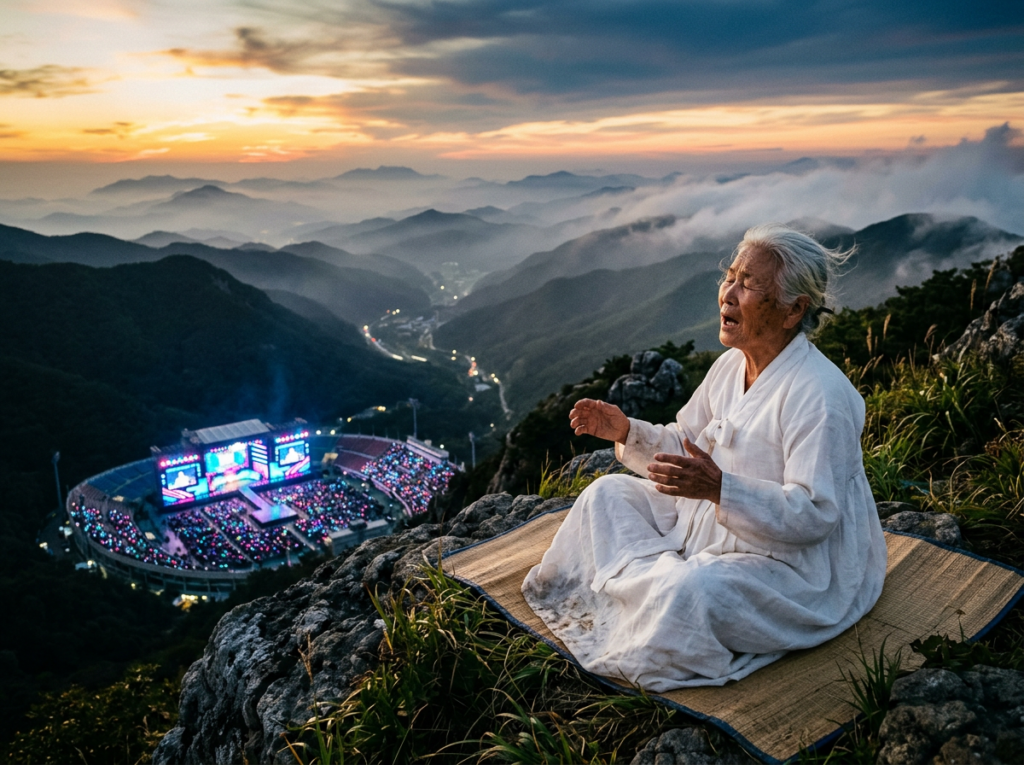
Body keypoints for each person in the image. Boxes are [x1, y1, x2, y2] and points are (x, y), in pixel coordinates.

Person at [521, 223, 888, 691]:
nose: (728, 294)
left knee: (692, 592)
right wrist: (627, 431)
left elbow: (816, 514)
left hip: (789, 567)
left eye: (749, 284)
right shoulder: (730, 366)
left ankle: (650, 597)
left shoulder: (819, 396)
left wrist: (721, 489)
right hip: (706, 523)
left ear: (794, 310)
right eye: (730, 276)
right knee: (605, 495)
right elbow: (687, 443)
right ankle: (645, 595)